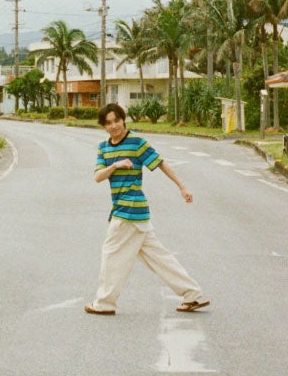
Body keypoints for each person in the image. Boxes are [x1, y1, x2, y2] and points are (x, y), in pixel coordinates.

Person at [85, 101, 209, 316]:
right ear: (104, 126)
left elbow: (160, 163)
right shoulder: (103, 147)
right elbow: (97, 176)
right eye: (108, 123)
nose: (114, 126)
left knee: (112, 255)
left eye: (117, 120)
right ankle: (192, 294)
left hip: (130, 209)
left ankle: (104, 303)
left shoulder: (137, 142)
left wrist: (182, 186)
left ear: (124, 119)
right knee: (159, 257)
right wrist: (115, 165)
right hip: (129, 212)